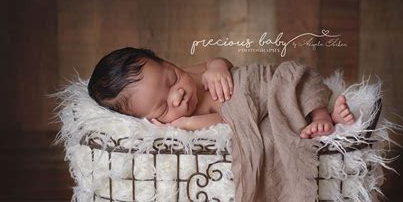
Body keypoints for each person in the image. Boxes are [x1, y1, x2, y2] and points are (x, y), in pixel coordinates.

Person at [88, 47, 355, 137]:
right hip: (257, 110)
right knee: (276, 126)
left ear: (167, 63)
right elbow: (228, 120)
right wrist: (189, 122)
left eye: (172, 78)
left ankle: (321, 114)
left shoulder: (192, 74)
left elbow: (216, 64)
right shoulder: (189, 120)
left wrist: (216, 67)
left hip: (262, 84)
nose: (177, 95)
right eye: (163, 108)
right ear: (150, 120)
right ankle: (324, 122)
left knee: (296, 77)